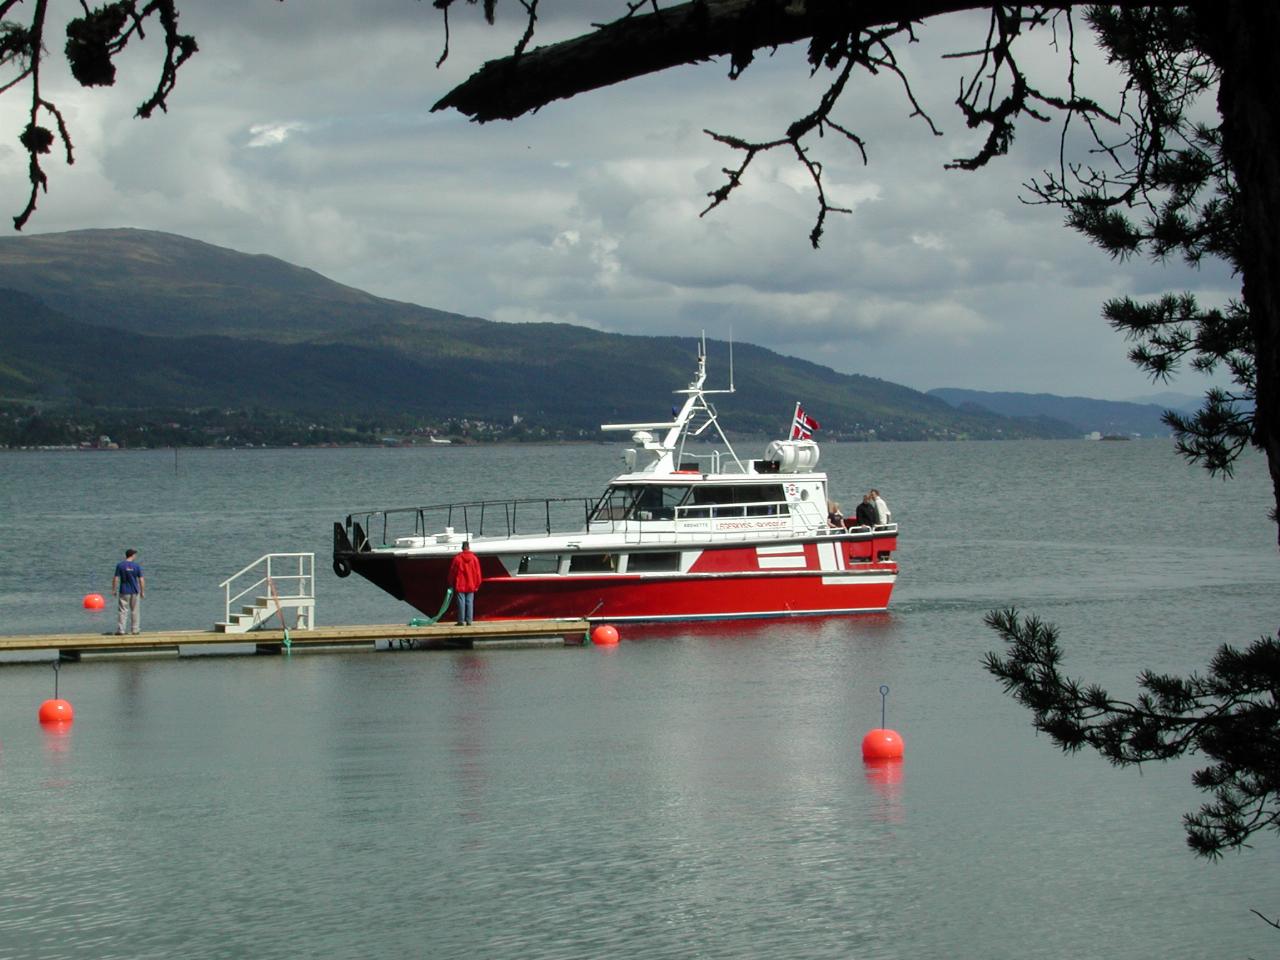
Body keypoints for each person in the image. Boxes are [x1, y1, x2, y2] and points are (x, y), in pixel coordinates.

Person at [112, 548, 145, 635]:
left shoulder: (120, 565)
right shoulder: (136, 566)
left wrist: (114, 590)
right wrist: (142, 591)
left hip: (124, 591)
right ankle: (135, 629)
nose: (135, 556)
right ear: (132, 555)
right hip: (134, 591)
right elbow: (141, 580)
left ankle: (121, 630)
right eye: (135, 555)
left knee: (123, 610)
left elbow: (116, 578)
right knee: (135, 611)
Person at [448, 541, 482, 625]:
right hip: (471, 584)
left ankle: (461, 621)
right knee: (469, 602)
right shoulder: (474, 559)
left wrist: (450, 582)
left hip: (460, 584)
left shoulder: (457, 559)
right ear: (469, 547)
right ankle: (469, 620)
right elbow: (478, 573)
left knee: (461, 603)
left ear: (462, 548)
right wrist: (477, 584)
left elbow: (452, 572)